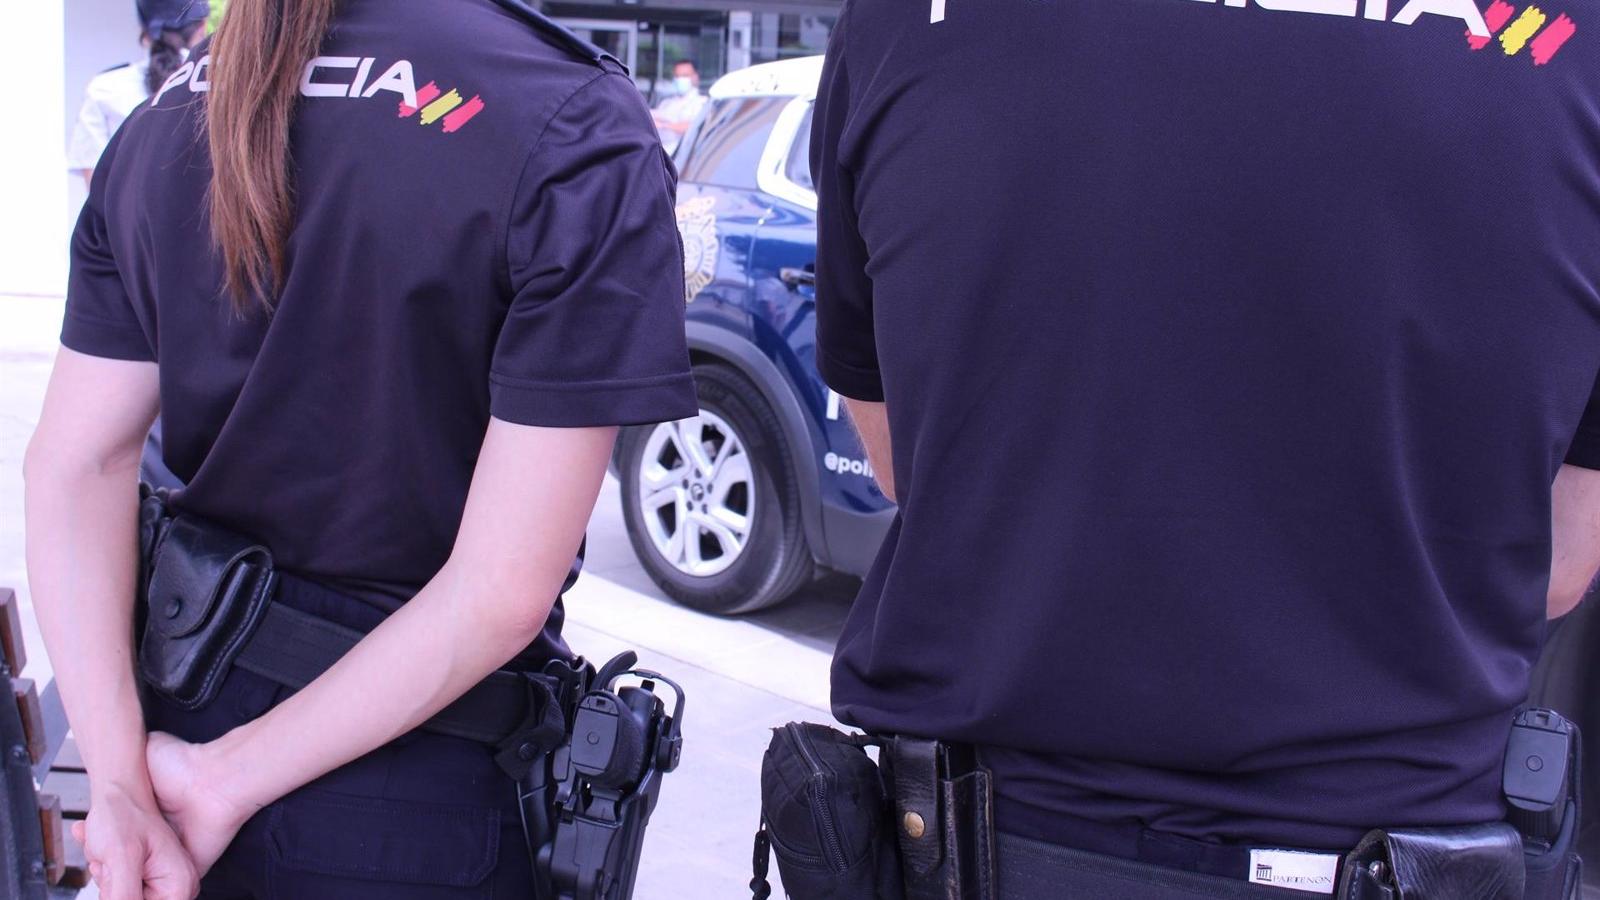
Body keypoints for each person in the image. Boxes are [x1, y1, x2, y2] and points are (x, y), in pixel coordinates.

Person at [811, 0, 1600, 897]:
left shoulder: (900, 17)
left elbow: (902, 458)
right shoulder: (1565, 35)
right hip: (1396, 833)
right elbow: (1563, 559)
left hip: (980, 836)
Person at [23, 0, 696, 897]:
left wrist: (118, 785)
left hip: (177, 741)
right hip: (413, 796)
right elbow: (496, 591)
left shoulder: (171, 110)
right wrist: (223, 779)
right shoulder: (568, 116)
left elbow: (75, 467)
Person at [67, 0, 210, 187]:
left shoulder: (103, 90)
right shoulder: (218, 88)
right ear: (202, 26)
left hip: (127, 216)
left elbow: (96, 191)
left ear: (144, 30)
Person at [652, 60, 707, 153]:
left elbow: (693, 127)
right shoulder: (667, 103)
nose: (680, 80)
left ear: (695, 77)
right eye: (677, 76)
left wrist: (663, 125)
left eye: (685, 76)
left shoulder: (702, 102)